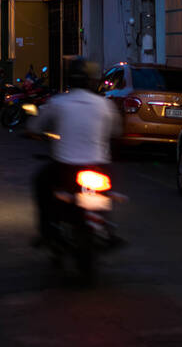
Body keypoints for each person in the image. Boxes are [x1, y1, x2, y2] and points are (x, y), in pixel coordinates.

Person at [29, 58, 120, 246]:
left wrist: (35, 133)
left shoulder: (59, 102)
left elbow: (35, 126)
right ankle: (106, 227)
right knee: (107, 191)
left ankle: (46, 229)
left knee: (40, 182)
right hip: (99, 165)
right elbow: (116, 131)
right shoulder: (104, 105)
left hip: (65, 167)